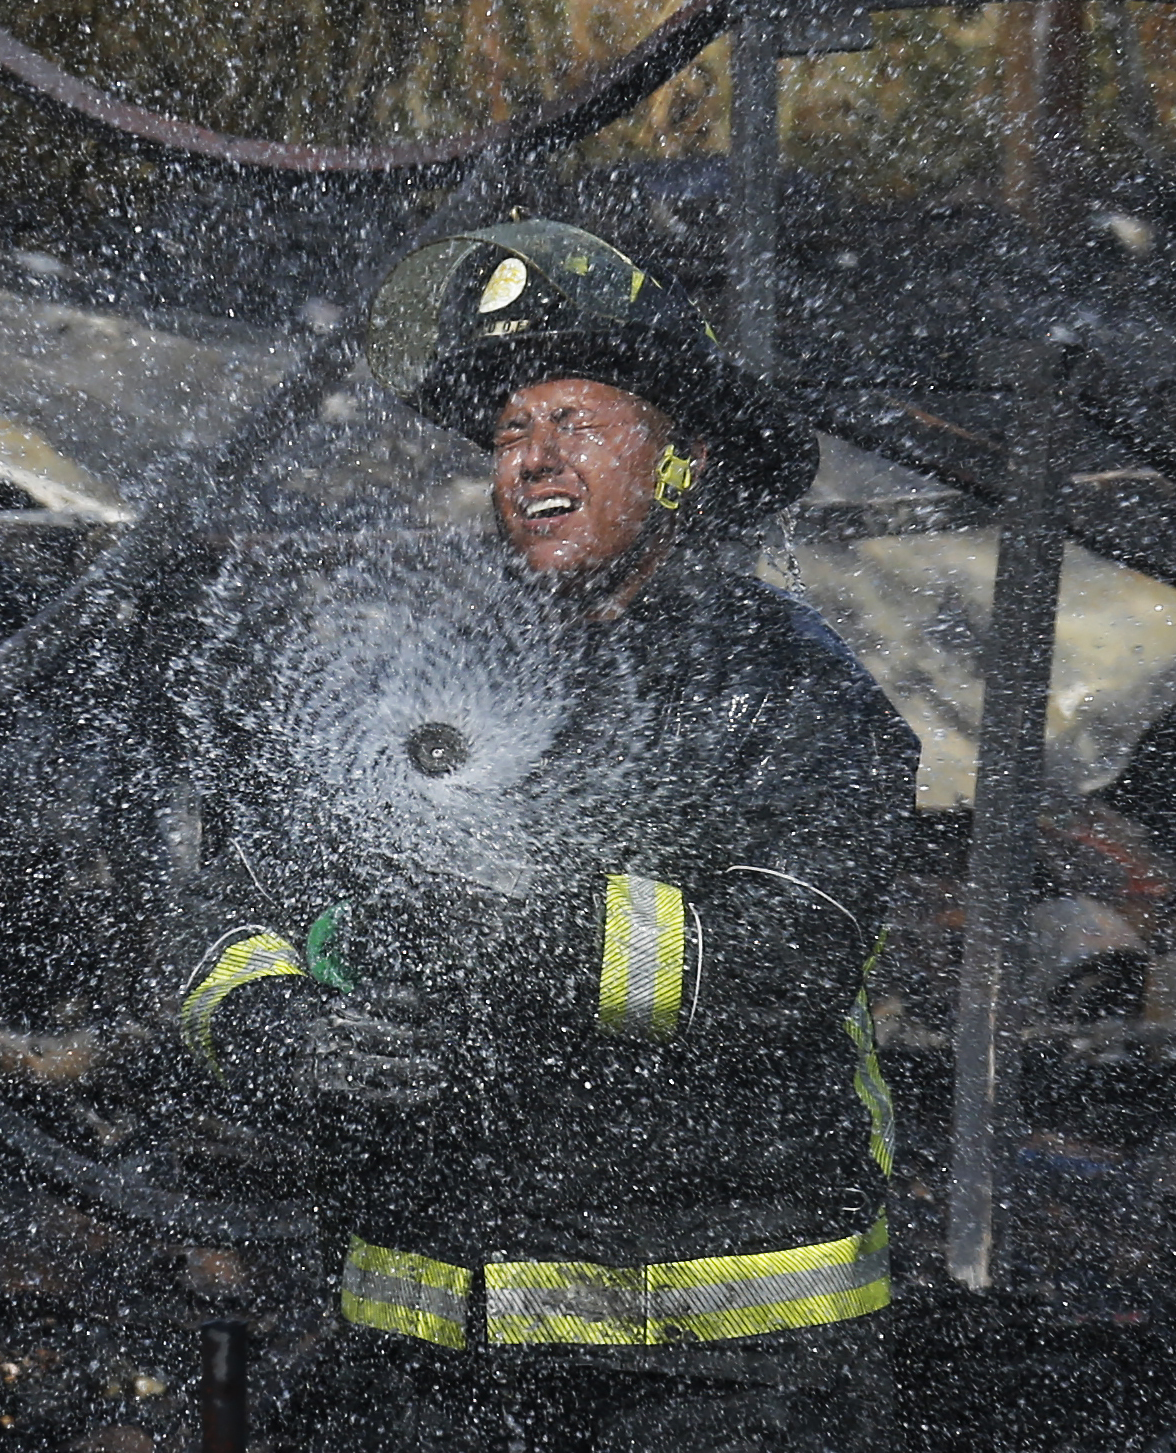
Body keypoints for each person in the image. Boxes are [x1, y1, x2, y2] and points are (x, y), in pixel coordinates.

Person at [163, 220, 918, 1451]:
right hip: (433, 1344)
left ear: (680, 463)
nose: (531, 457)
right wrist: (268, 1024)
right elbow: (227, 905)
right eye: (512, 430)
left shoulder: (779, 685)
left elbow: (790, 954)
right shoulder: (406, 680)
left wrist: (536, 937)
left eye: (577, 419)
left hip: (726, 1360)